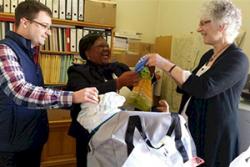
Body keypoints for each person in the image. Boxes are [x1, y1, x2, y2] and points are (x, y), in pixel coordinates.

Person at [146, 0, 249, 166]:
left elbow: (204, 88)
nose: (199, 29)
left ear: (222, 25)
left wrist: (165, 63)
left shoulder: (237, 59)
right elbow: (189, 85)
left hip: (214, 136)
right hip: (194, 128)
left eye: (204, 23)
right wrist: (173, 116)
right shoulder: (208, 55)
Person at [0, 1, 99, 167]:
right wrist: (72, 97)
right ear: (25, 22)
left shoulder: (31, 53)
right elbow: (20, 91)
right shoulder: (5, 50)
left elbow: (38, 91)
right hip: (10, 149)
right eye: (44, 26)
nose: (49, 33)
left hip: (31, 141)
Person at [66, 33, 140, 167]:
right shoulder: (77, 72)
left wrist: (147, 76)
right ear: (87, 53)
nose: (106, 48)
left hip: (121, 133)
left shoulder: (119, 68)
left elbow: (137, 92)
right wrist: (118, 83)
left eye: (106, 45)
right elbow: (83, 93)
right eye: (100, 46)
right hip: (90, 134)